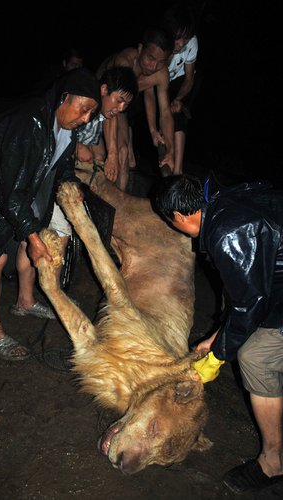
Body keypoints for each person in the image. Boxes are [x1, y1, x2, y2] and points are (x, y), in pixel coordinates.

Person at [0, 67, 101, 362]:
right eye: (83, 109)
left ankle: (25, 301)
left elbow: (61, 168)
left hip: (12, 183)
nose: (85, 119)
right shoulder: (30, 123)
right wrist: (34, 238)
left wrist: (71, 185)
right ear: (64, 98)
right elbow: (13, 193)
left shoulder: (66, 130)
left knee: (30, 237)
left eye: (90, 113)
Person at [153, 174, 283, 494]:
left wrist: (216, 356)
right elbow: (248, 286)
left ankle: (274, 461)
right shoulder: (223, 200)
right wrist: (215, 337)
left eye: (171, 223)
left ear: (182, 217)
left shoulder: (228, 233)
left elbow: (252, 303)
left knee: (255, 356)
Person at [96, 26, 175, 191]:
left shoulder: (161, 74)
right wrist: (111, 153)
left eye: (161, 62)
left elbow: (166, 113)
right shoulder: (124, 62)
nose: (153, 66)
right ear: (140, 49)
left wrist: (169, 150)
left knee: (125, 153)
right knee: (113, 153)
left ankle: (119, 206)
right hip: (102, 101)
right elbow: (111, 108)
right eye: (150, 58)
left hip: (123, 107)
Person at [77, 66, 138, 183]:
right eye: (119, 100)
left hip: (84, 149)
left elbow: (110, 120)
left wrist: (112, 156)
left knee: (99, 157)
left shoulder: (105, 109)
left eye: (125, 105)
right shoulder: (83, 98)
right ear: (104, 89)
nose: (121, 108)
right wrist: (77, 147)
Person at [159, 2, 199, 174]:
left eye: (186, 38)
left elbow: (189, 78)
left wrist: (178, 99)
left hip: (179, 83)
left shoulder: (191, 43)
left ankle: (178, 170)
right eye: (178, 37)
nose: (182, 43)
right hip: (160, 81)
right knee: (164, 115)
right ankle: (168, 156)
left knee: (179, 114)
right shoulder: (161, 42)